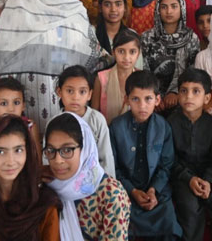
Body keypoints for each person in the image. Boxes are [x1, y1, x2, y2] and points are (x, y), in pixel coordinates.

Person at [0, 0, 103, 134]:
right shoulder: (17, 5)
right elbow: (5, 58)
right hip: (26, 97)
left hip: (68, 98)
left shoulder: (76, 9)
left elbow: (87, 53)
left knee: (64, 149)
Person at [109, 71, 182, 239]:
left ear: (157, 100)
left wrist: (152, 191)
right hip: (126, 190)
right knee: (124, 223)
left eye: (148, 99)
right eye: (136, 99)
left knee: (169, 222)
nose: (142, 106)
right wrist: (132, 191)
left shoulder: (163, 127)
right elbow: (114, 168)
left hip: (156, 191)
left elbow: (166, 165)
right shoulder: (116, 127)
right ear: (126, 99)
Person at [44, 112, 130, 240]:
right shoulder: (45, 184)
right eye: (51, 150)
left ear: (85, 149)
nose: (57, 160)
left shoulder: (110, 194)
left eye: (67, 150)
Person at [167, 68, 212, 241]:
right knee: (190, 209)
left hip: (210, 177)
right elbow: (170, 160)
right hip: (182, 177)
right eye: (184, 91)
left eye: (196, 91)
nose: (189, 97)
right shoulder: (170, 124)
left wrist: (208, 180)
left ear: (207, 98)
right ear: (178, 95)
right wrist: (189, 179)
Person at [141, 0, 200, 111]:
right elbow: (144, 70)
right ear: (157, 10)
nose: (169, 11)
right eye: (164, 7)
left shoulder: (191, 38)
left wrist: (176, 93)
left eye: (174, 6)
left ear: (182, 9)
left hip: (183, 98)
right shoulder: (147, 37)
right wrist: (155, 96)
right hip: (151, 99)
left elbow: (193, 71)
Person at [54, 65, 115, 176]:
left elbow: (106, 158)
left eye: (82, 92)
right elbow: (49, 158)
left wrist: (106, 184)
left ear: (90, 94)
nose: (75, 97)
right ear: (59, 92)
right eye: (69, 91)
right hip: (64, 180)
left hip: (94, 180)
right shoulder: (54, 123)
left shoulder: (97, 120)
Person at [0, 77, 40, 159]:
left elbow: (37, 162)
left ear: (23, 106)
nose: (11, 109)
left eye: (16, 102)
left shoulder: (30, 127)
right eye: (4, 103)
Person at [93, 30, 142, 123]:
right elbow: (94, 114)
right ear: (113, 52)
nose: (127, 57)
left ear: (138, 54)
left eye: (132, 52)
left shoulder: (142, 78)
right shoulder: (101, 78)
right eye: (121, 51)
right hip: (107, 133)